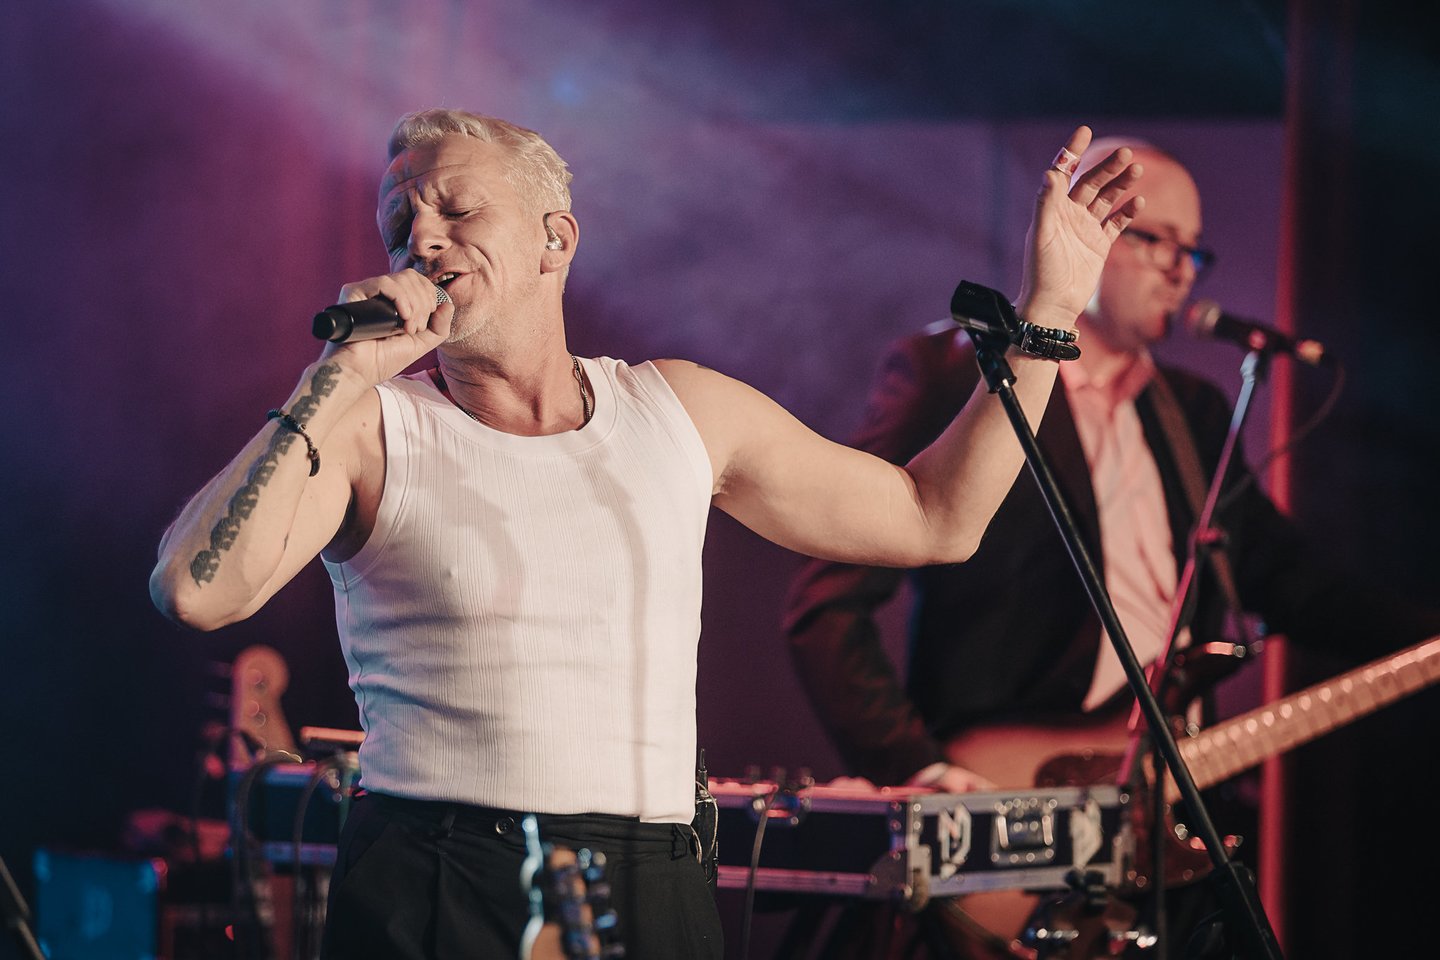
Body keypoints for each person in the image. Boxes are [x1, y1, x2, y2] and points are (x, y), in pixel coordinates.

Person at [147, 109, 1143, 959]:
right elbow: (196, 590)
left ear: (555, 240)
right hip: (438, 873)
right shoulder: (370, 425)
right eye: (401, 222)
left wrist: (1049, 312)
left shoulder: (679, 410)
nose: (424, 239)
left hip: (653, 873)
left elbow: (937, 518)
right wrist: (335, 378)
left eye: (457, 209)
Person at [784, 139, 1440, 957]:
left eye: (1193, 250)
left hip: (1160, 811)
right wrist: (916, 769)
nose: (1181, 270)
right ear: (1083, 227)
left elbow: (1292, 583)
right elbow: (828, 603)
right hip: (1004, 785)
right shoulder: (953, 371)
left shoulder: (1192, 411)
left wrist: (1424, 634)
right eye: (1155, 239)